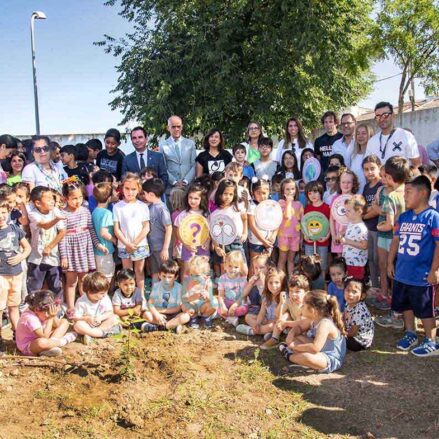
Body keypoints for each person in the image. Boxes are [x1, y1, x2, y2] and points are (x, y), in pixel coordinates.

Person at [387, 175, 439, 356]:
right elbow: (395, 241)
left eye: (408, 192)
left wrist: (435, 270)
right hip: (402, 272)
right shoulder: (403, 217)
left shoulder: (433, 217)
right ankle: (411, 333)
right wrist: (389, 262)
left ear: (423, 192)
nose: (405, 196)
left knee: (425, 309)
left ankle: (431, 340)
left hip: (422, 275)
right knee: (406, 304)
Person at [59, 179, 105, 316]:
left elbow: (91, 230)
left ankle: (85, 307)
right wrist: (64, 256)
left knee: (84, 280)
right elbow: (62, 237)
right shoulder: (62, 214)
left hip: (85, 249)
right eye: (74, 198)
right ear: (65, 198)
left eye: (80, 197)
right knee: (71, 281)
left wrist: (98, 244)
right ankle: (71, 308)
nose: (77, 201)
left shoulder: (85, 211)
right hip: (71, 250)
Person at [279, 290, 346, 373]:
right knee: (296, 337)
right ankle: (297, 356)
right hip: (320, 350)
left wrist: (294, 347)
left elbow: (314, 348)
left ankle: (289, 355)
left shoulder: (324, 323)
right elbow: (299, 327)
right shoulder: (313, 319)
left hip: (328, 357)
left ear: (313, 310)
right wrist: (291, 335)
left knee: (307, 357)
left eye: (303, 305)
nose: (301, 307)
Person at [0, 200, 31, 352]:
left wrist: (21, 257)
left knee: (14, 307)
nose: (0, 216)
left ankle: (18, 336)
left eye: (3, 212)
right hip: (1, 275)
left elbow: (27, 247)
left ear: (8, 212)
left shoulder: (14, 229)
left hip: (16, 273)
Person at [113, 173, 150, 293]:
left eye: (133, 189)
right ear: (122, 188)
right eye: (127, 188)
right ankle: (128, 297)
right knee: (127, 273)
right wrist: (127, 244)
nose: (130, 192)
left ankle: (141, 297)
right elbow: (116, 229)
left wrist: (134, 243)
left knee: (139, 272)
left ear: (139, 189)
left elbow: (146, 227)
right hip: (124, 245)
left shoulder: (143, 206)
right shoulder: (117, 207)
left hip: (140, 245)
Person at [27, 186, 66, 300]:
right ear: (38, 203)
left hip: (53, 257)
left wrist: (50, 246)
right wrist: (57, 219)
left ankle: (56, 310)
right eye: (48, 198)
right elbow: (45, 225)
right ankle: (33, 310)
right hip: (37, 258)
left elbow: (62, 231)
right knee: (35, 287)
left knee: (56, 286)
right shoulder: (33, 214)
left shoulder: (55, 211)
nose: (52, 201)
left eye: (52, 198)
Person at [15, 290, 76, 357]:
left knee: (64, 322)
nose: (47, 315)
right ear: (37, 309)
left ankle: (48, 348)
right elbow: (44, 337)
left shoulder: (39, 312)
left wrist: (53, 315)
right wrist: (50, 318)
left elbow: (57, 325)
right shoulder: (30, 318)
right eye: (46, 313)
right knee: (41, 343)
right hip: (30, 346)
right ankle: (63, 341)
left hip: (44, 336)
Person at [261, 274, 310, 350]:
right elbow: (277, 315)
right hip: (293, 324)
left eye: (297, 292)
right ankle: (274, 338)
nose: (293, 294)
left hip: (304, 330)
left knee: (298, 322)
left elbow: (302, 323)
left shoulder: (307, 304)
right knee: (285, 315)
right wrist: (281, 303)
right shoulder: (289, 301)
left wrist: (287, 324)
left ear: (306, 293)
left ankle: (288, 339)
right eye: (291, 291)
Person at [365, 102, 421, 167]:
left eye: (385, 115)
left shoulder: (406, 136)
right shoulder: (372, 141)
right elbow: (368, 164)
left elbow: (417, 164)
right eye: (378, 116)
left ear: (392, 115)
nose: (381, 119)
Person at [210, 179, 248, 273]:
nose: (228, 197)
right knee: (226, 271)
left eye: (231, 194)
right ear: (219, 194)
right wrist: (217, 247)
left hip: (236, 241)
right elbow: (214, 232)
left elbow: (244, 218)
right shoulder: (215, 213)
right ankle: (227, 287)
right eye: (225, 193)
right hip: (223, 243)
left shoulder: (238, 207)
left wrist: (245, 233)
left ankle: (242, 287)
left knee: (243, 270)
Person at [73, 272, 120, 345]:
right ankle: (103, 334)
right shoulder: (81, 302)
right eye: (101, 293)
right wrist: (87, 319)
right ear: (90, 292)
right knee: (78, 325)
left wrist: (100, 318)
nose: (104, 295)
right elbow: (75, 318)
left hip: (101, 324)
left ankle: (93, 334)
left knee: (115, 318)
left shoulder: (105, 297)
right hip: (88, 325)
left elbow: (110, 312)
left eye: (105, 292)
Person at [237, 267, 286, 336]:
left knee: (272, 326)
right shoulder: (266, 297)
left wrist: (281, 303)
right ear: (267, 283)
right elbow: (262, 313)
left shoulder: (283, 297)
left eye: (277, 282)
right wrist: (257, 323)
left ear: (282, 283)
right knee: (248, 317)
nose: (273, 286)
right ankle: (264, 331)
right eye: (270, 283)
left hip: (275, 321)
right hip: (266, 319)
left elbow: (280, 316)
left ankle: (252, 331)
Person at [174, 184, 210, 276]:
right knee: (187, 271)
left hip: (202, 247)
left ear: (201, 199)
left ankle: (202, 289)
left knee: (202, 270)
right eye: (190, 197)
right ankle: (185, 290)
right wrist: (186, 245)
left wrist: (208, 242)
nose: (192, 201)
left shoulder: (206, 214)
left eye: (196, 198)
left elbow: (209, 230)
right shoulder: (183, 214)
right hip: (188, 247)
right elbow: (178, 231)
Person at [144, 260, 189, 333]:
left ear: (176, 277)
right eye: (164, 276)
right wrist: (157, 314)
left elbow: (178, 309)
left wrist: (160, 310)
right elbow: (150, 303)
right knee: (146, 314)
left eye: (170, 277)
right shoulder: (156, 287)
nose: (166, 280)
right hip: (158, 315)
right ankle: (170, 327)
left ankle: (161, 327)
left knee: (185, 316)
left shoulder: (179, 288)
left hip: (173, 315)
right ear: (159, 275)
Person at [142, 178, 172, 282]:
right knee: (155, 271)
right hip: (153, 248)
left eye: (144, 193)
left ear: (151, 194)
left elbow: (169, 228)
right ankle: (155, 294)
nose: (143, 196)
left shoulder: (162, 209)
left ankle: (167, 295)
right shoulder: (150, 207)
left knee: (166, 273)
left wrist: (165, 248)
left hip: (161, 249)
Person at [159, 116, 196, 192]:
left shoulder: (190, 144)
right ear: (168, 128)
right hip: (171, 189)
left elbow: (194, 165)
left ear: (182, 127)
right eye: (173, 127)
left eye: (178, 126)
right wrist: (174, 182)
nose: (176, 129)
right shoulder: (162, 145)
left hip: (188, 188)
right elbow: (163, 167)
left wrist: (185, 181)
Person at [362, 155, 382, 289]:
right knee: (370, 259)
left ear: (379, 168)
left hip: (379, 229)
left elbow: (377, 209)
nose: (369, 172)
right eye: (366, 169)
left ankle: (383, 287)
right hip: (368, 228)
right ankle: (375, 287)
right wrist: (366, 212)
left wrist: (363, 217)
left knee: (378, 259)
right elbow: (365, 207)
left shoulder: (381, 186)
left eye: (372, 168)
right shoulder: (367, 187)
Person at [303, 181, 331, 276]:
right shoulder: (307, 208)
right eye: (309, 193)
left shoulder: (327, 208)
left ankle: (322, 286)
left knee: (322, 265)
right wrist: (305, 236)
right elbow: (304, 224)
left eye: (315, 192)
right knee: (309, 264)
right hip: (309, 242)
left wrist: (327, 236)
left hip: (323, 241)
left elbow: (330, 224)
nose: (312, 195)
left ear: (321, 192)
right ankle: (311, 286)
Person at [181, 256, 217, 329]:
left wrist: (206, 296)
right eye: (191, 274)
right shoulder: (187, 281)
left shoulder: (207, 282)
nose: (194, 277)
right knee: (183, 305)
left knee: (214, 303)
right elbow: (184, 299)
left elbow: (210, 298)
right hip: (192, 306)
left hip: (203, 306)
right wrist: (195, 296)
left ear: (204, 275)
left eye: (197, 275)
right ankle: (194, 318)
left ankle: (205, 317)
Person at [247, 177, 275, 268]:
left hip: (269, 241)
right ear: (253, 193)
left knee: (266, 265)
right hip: (256, 241)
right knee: (254, 264)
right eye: (258, 193)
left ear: (268, 192)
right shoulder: (252, 206)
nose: (262, 196)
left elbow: (277, 221)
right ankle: (252, 282)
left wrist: (273, 236)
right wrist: (263, 241)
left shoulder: (272, 204)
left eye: (264, 193)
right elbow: (252, 225)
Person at [330, 169, 359, 256]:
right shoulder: (335, 199)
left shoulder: (356, 199)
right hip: (338, 235)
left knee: (351, 258)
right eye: (343, 182)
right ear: (339, 183)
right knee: (340, 260)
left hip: (352, 236)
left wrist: (345, 231)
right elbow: (331, 219)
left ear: (353, 183)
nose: (346, 185)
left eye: (349, 182)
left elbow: (357, 220)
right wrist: (333, 235)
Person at [277, 178, 303, 276]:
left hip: (295, 236)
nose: (290, 191)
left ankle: (290, 282)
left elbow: (301, 221)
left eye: (292, 189)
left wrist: (302, 237)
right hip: (284, 235)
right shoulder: (281, 203)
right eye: (287, 189)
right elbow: (287, 216)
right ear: (283, 191)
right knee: (282, 259)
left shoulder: (299, 204)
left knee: (291, 260)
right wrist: (288, 202)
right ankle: (280, 281)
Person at [91, 182, 116, 281]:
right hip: (105, 250)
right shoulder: (107, 213)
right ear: (109, 198)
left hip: (97, 251)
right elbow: (104, 233)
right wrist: (115, 240)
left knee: (100, 277)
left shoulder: (95, 211)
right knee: (106, 278)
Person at [341, 195, 368, 280]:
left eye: (349, 210)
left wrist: (348, 241)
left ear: (359, 212)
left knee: (355, 285)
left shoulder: (361, 228)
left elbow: (364, 245)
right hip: (348, 263)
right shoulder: (351, 223)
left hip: (356, 265)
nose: (346, 212)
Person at [217, 250, 248, 326]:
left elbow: (243, 296)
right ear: (225, 265)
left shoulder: (242, 279)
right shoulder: (222, 278)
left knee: (244, 309)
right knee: (216, 306)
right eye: (230, 266)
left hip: (239, 302)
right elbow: (220, 295)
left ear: (240, 268)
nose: (232, 269)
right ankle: (231, 317)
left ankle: (229, 316)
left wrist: (235, 305)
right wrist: (222, 306)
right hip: (227, 301)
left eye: (236, 267)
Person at [343, 277, 374, 351]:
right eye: (348, 290)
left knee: (338, 339)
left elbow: (353, 332)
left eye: (354, 292)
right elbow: (345, 315)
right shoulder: (349, 302)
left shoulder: (359, 311)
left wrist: (341, 333)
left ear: (362, 296)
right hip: (351, 330)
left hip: (359, 340)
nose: (350, 294)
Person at [348, 124, 374, 192]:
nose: (360, 136)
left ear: (370, 135)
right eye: (358, 133)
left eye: (364, 133)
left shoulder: (373, 155)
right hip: (356, 194)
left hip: (369, 193)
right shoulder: (353, 156)